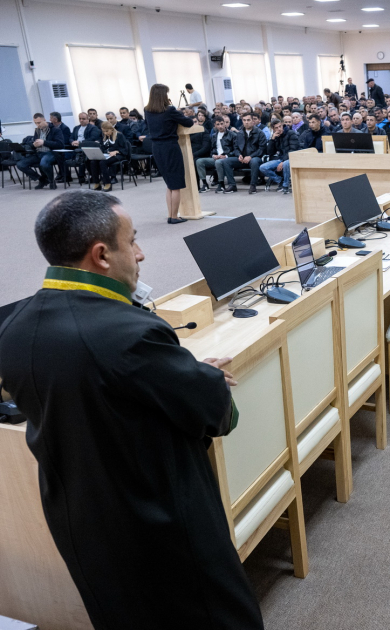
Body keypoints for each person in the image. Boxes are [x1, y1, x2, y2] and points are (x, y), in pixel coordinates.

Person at [0, 190, 264, 630]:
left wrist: (174, 371)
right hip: (161, 525)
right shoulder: (131, 333)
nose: (140, 254)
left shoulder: (12, 327)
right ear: (101, 255)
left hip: (81, 522)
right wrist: (202, 375)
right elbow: (216, 414)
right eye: (133, 241)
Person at [143, 83, 195, 224]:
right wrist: (178, 113)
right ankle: (174, 216)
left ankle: (171, 214)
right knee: (176, 183)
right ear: (163, 95)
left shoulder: (147, 110)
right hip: (170, 147)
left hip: (157, 147)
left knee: (170, 183)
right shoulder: (169, 110)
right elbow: (188, 123)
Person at [219, 112, 265, 194]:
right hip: (242, 158)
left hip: (254, 158)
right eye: (244, 120)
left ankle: (253, 185)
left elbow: (262, 149)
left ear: (253, 121)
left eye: (248, 120)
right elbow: (235, 147)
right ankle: (232, 185)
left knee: (254, 162)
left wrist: (250, 156)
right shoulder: (239, 133)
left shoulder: (260, 133)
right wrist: (239, 155)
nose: (246, 122)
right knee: (226, 161)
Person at [17, 113, 64, 190]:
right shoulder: (37, 131)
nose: (37, 125)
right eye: (35, 123)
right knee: (20, 164)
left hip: (50, 153)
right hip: (38, 153)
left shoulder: (55, 130)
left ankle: (51, 181)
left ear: (44, 120)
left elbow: (60, 144)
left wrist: (44, 142)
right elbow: (34, 143)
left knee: (44, 163)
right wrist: (33, 145)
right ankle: (41, 179)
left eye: (39, 122)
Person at [87, 122, 129, 193]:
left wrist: (116, 151)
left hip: (118, 155)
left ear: (111, 129)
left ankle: (107, 183)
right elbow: (104, 147)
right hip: (107, 154)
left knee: (103, 163)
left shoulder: (119, 135)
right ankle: (97, 183)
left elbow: (125, 148)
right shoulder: (104, 136)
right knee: (93, 162)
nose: (105, 133)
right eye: (103, 131)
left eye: (107, 131)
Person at [70, 112, 103, 184]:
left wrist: (80, 142)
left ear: (88, 119)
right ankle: (79, 176)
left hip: (87, 147)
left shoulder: (93, 128)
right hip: (76, 148)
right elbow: (71, 137)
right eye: (80, 119)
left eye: (83, 119)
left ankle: (83, 176)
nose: (81, 120)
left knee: (83, 156)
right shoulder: (76, 128)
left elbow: (92, 138)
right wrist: (73, 142)